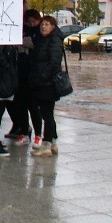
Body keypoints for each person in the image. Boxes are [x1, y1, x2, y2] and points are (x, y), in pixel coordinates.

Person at [29, 14, 64, 157]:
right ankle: (53, 142)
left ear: (53, 27)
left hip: (47, 84)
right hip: (42, 82)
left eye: (47, 24)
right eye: (42, 24)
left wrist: (42, 77)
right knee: (47, 113)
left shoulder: (54, 40)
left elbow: (54, 63)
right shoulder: (43, 39)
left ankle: (47, 144)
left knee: (47, 114)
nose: (44, 27)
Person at [6, 8, 41, 147]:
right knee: (20, 105)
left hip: (33, 76)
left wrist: (24, 43)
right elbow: (18, 44)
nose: (31, 24)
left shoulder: (39, 33)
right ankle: (24, 131)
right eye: (29, 21)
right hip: (20, 74)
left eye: (34, 21)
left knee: (34, 107)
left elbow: (33, 43)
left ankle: (38, 134)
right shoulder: (23, 30)